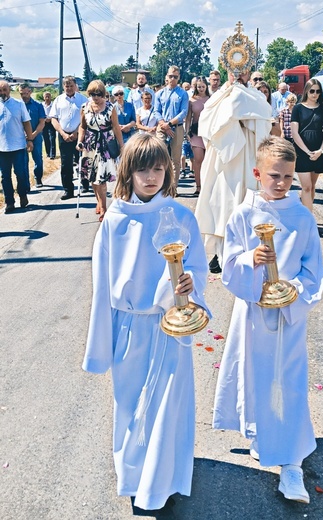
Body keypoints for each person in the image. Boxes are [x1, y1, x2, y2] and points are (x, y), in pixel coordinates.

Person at [82, 134, 210, 513]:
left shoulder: (182, 217)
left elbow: (198, 269)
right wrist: (101, 345)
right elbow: (102, 287)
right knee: (130, 404)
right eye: (143, 168)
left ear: (168, 170)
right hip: (129, 329)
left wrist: (190, 285)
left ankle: (162, 480)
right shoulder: (115, 221)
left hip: (169, 327)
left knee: (167, 404)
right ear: (129, 172)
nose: (151, 176)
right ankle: (134, 476)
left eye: (158, 168)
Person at [213, 136, 323, 505]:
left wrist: (292, 292)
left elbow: (314, 272)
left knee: (289, 384)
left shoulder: (303, 218)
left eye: (288, 177)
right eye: (274, 175)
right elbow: (228, 267)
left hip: (289, 318)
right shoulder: (243, 215)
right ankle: (263, 436)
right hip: (254, 313)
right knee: (257, 378)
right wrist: (250, 261)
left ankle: (292, 465)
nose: (281, 183)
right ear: (258, 173)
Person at [195, 23, 272, 273]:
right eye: (233, 70)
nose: (237, 75)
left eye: (243, 70)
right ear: (226, 68)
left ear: (249, 70)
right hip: (222, 163)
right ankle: (219, 252)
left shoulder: (257, 98)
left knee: (244, 203)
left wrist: (242, 111)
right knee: (220, 203)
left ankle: (248, 250)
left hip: (248, 158)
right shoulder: (217, 97)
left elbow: (264, 124)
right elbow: (206, 123)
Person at [76, 80, 124, 221]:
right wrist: (80, 141)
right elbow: (82, 127)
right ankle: (98, 201)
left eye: (98, 94)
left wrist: (121, 146)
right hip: (90, 145)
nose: (95, 97)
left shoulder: (110, 108)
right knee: (92, 176)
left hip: (105, 146)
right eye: (92, 94)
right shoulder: (84, 107)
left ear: (103, 94)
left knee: (101, 179)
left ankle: (103, 208)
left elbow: (116, 128)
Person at [290, 78, 323, 212]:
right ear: (306, 91)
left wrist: (321, 150)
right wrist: (307, 152)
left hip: (318, 151)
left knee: (312, 186)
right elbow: (294, 133)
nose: (315, 94)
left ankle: (306, 214)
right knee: (306, 186)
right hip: (302, 152)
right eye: (312, 91)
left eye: (318, 91)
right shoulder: (297, 108)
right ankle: (308, 219)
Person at [50, 76, 87, 199]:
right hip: (64, 136)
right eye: (67, 86)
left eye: (71, 86)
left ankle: (85, 183)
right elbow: (53, 118)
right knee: (66, 164)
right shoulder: (58, 100)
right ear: (63, 87)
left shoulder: (83, 100)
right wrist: (62, 133)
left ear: (75, 86)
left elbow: (86, 119)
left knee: (83, 162)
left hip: (80, 135)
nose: (69, 88)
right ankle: (68, 189)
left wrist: (77, 132)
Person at [0, 80, 34, 213]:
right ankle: (9, 202)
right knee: (5, 177)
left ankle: (23, 195)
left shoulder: (19, 104)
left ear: (9, 90)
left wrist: (30, 140)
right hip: (2, 149)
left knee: (20, 173)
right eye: (0, 90)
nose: (2, 93)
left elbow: (27, 123)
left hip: (18, 146)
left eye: (4, 90)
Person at [154, 65, 189, 188]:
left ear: (179, 77)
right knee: (159, 155)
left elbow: (183, 112)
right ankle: (160, 186)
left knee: (176, 158)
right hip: (162, 127)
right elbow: (156, 111)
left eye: (175, 76)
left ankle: (173, 187)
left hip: (177, 127)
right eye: (170, 76)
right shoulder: (159, 94)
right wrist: (164, 124)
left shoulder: (183, 94)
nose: (172, 78)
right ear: (166, 77)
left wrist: (169, 124)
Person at [185, 76, 210, 196]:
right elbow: (188, 117)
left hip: (208, 133)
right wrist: (187, 132)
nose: (201, 89)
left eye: (203, 86)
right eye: (199, 87)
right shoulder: (192, 100)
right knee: (198, 160)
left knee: (208, 161)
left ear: (206, 86)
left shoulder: (211, 99)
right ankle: (198, 186)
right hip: (195, 133)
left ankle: (208, 186)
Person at [19, 83, 46, 188]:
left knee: (38, 159)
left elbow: (42, 122)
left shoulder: (38, 105)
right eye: (22, 94)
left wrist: (33, 135)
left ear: (30, 92)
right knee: (23, 161)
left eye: (26, 93)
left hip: (36, 136)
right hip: (21, 138)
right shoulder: (18, 105)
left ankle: (38, 178)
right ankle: (26, 183)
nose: (24, 96)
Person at [42, 91, 56, 160]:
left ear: (51, 97)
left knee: (52, 138)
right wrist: (44, 119)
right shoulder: (41, 105)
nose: (47, 98)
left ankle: (52, 154)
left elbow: (55, 113)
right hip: (44, 122)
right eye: (46, 96)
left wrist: (50, 118)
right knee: (46, 138)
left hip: (52, 122)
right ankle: (48, 153)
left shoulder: (53, 105)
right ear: (43, 97)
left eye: (48, 96)